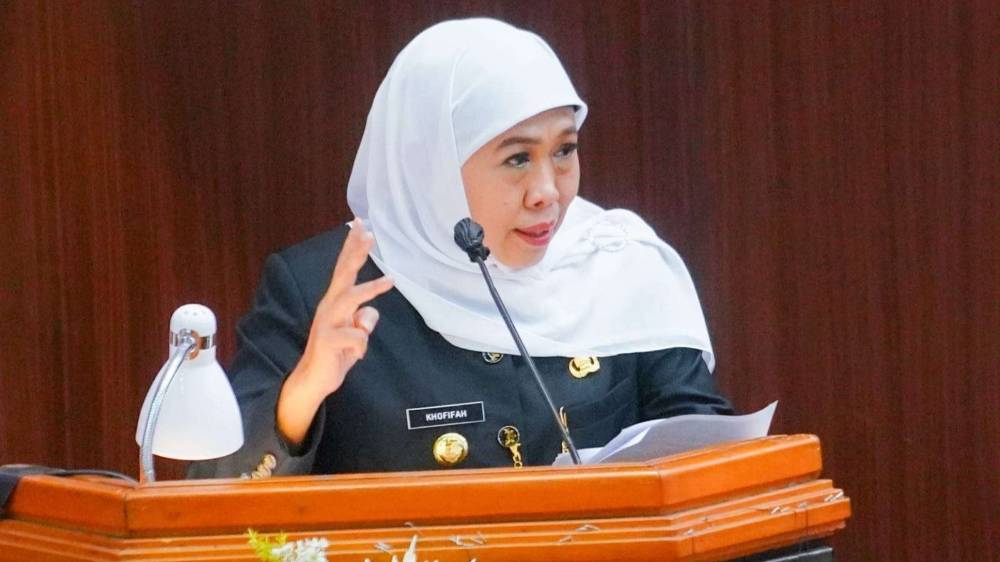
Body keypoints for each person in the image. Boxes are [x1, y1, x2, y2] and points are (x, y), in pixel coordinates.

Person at [188, 18, 731, 479]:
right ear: (434, 166)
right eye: (518, 158)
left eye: (565, 150)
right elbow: (211, 496)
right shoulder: (325, 291)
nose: (548, 192)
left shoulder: (617, 262)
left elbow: (708, 458)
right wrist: (303, 392)